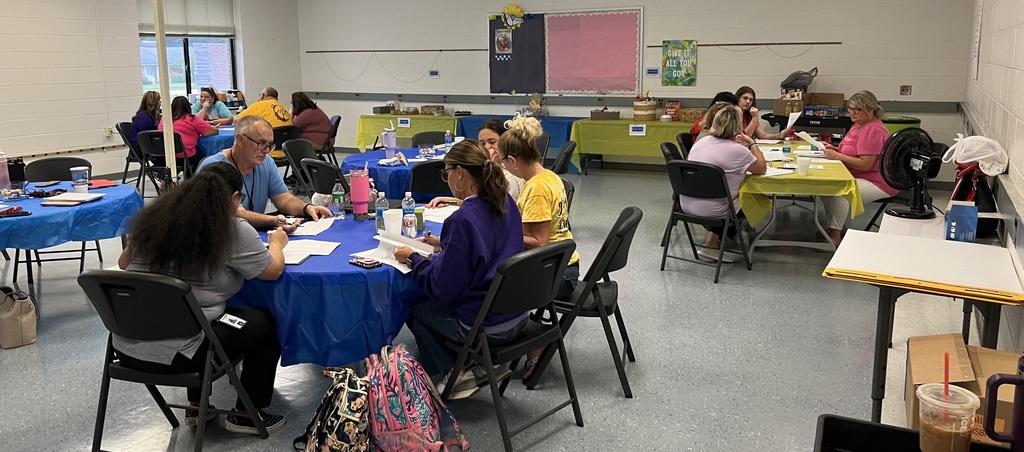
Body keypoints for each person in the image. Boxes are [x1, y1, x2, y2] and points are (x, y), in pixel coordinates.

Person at [114, 163, 289, 434]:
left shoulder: (155, 219)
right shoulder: (232, 229)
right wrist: (277, 243)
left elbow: (124, 264)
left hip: (125, 348)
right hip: (180, 354)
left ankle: (197, 405)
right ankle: (247, 413)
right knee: (263, 320)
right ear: (233, 199)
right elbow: (273, 270)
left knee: (189, 313)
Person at [393, 139, 525, 399]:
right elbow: (490, 246)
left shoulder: (462, 218)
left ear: (460, 173)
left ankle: (453, 372)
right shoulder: (505, 201)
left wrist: (413, 259)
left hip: (487, 324)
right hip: (518, 316)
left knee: (414, 306)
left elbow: (442, 289)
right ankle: (472, 365)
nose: (447, 179)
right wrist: (445, 245)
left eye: (447, 173)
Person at [497, 115, 580, 380]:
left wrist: (502, 235)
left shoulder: (536, 190)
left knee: (493, 286)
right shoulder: (549, 176)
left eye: (503, 162)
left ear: (512, 161)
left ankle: (531, 345)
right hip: (563, 265)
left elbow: (540, 242)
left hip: (557, 274)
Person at [196, 116, 331, 231]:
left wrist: (307, 208)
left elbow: (283, 198)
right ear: (240, 140)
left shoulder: (266, 162)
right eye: (261, 143)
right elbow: (235, 214)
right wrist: (273, 221)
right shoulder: (215, 168)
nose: (267, 151)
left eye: (269, 145)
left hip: (249, 235)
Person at [679, 104, 767, 263]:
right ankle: (720, 240)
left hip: (686, 205)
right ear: (738, 126)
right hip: (716, 210)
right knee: (753, 198)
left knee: (725, 191)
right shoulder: (738, 151)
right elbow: (761, 169)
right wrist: (752, 144)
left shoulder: (701, 142)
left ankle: (712, 242)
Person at [821, 90, 898, 245]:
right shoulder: (858, 126)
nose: (852, 113)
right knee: (824, 187)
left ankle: (834, 235)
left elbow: (865, 164)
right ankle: (838, 227)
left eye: (857, 110)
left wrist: (838, 157)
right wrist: (835, 149)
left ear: (870, 109)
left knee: (842, 192)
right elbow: (852, 152)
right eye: (850, 109)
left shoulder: (874, 130)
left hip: (877, 180)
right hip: (857, 174)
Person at [425, 119, 525, 207]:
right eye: (482, 143)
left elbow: (496, 207)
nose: (487, 147)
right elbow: (482, 204)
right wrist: (454, 201)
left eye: (492, 142)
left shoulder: (511, 175)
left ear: (505, 142)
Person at [157, 96, 218, 170]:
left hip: (160, 157)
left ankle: (166, 178)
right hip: (183, 157)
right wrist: (215, 128)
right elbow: (211, 131)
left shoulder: (164, 119)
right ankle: (192, 178)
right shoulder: (191, 119)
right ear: (188, 107)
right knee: (202, 156)